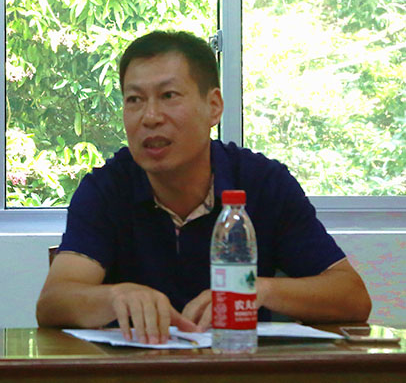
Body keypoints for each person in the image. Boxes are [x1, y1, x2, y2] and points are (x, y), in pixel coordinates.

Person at [36, 30, 371, 344]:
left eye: (168, 96)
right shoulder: (105, 189)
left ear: (214, 107)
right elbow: (53, 302)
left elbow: (352, 296)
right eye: (134, 99)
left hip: (238, 368)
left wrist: (255, 289)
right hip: (137, 373)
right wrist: (115, 297)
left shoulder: (263, 183)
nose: (150, 117)